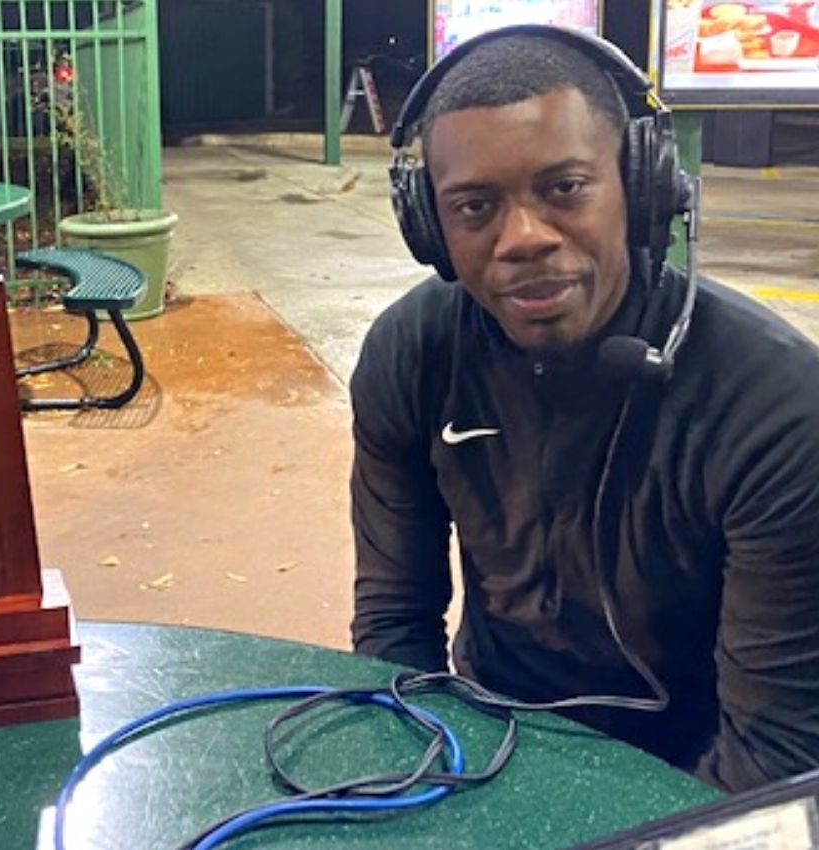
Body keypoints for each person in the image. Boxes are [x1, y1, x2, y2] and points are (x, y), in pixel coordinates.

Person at [350, 25, 819, 793]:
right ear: (428, 226)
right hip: (490, 737)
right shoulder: (411, 353)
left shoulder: (776, 403)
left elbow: (774, 754)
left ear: (641, 186)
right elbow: (394, 622)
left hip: (695, 771)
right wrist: (422, 785)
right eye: (474, 206)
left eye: (564, 188)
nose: (523, 238)